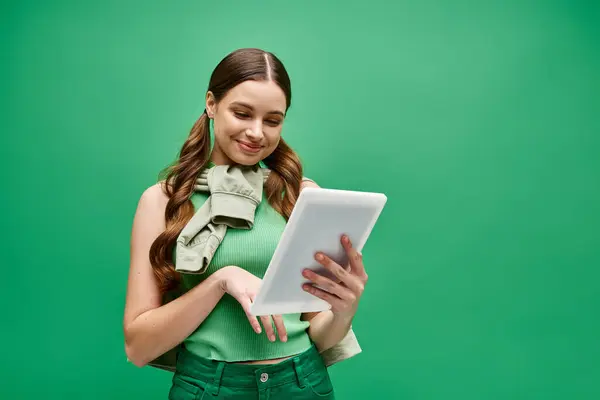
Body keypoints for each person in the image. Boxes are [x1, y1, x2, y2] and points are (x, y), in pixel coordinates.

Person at [123, 48, 369, 399]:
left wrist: (344, 313)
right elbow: (138, 347)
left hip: (302, 384)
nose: (257, 132)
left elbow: (318, 332)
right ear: (211, 104)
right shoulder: (162, 200)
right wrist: (221, 281)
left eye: (272, 120)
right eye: (242, 113)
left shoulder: (299, 195)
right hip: (208, 387)